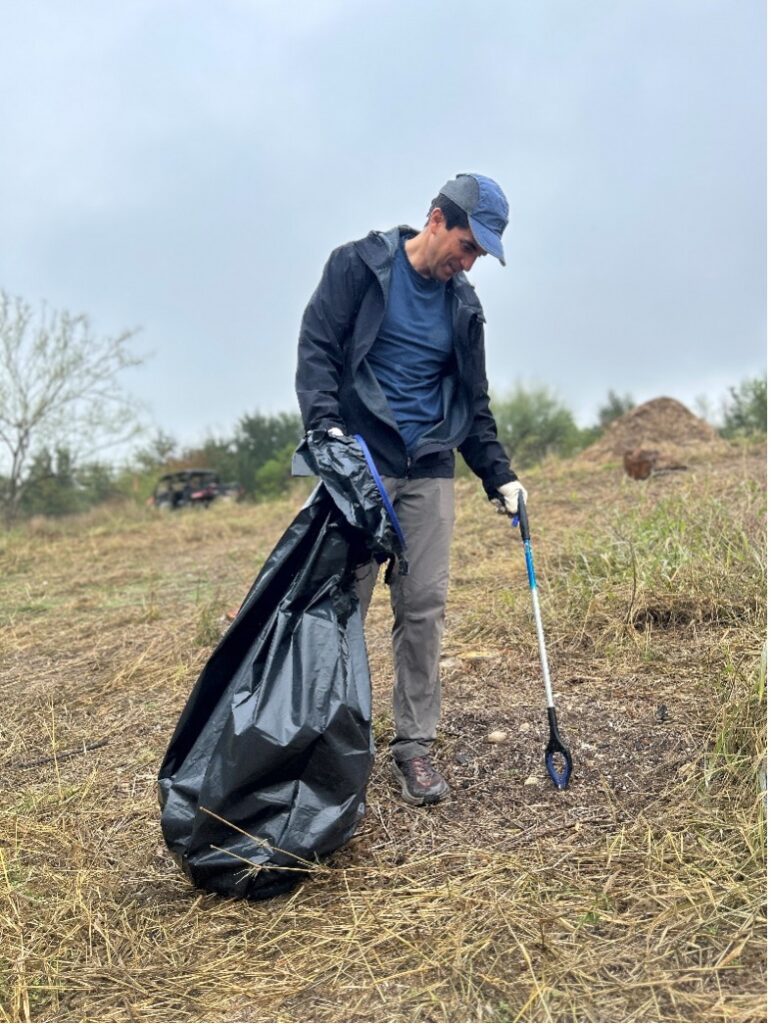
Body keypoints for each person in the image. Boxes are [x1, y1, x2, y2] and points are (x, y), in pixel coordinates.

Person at [295, 172, 526, 806]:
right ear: (435, 220)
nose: (469, 261)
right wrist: (326, 428)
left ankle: (414, 748)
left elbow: (474, 407)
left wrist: (500, 475)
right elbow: (316, 351)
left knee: (422, 606)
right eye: (468, 245)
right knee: (340, 606)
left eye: (479, 253)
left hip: (428, 465)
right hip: (360, 461)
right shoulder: (357, 268)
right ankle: (325, 743)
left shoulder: (464, 307)